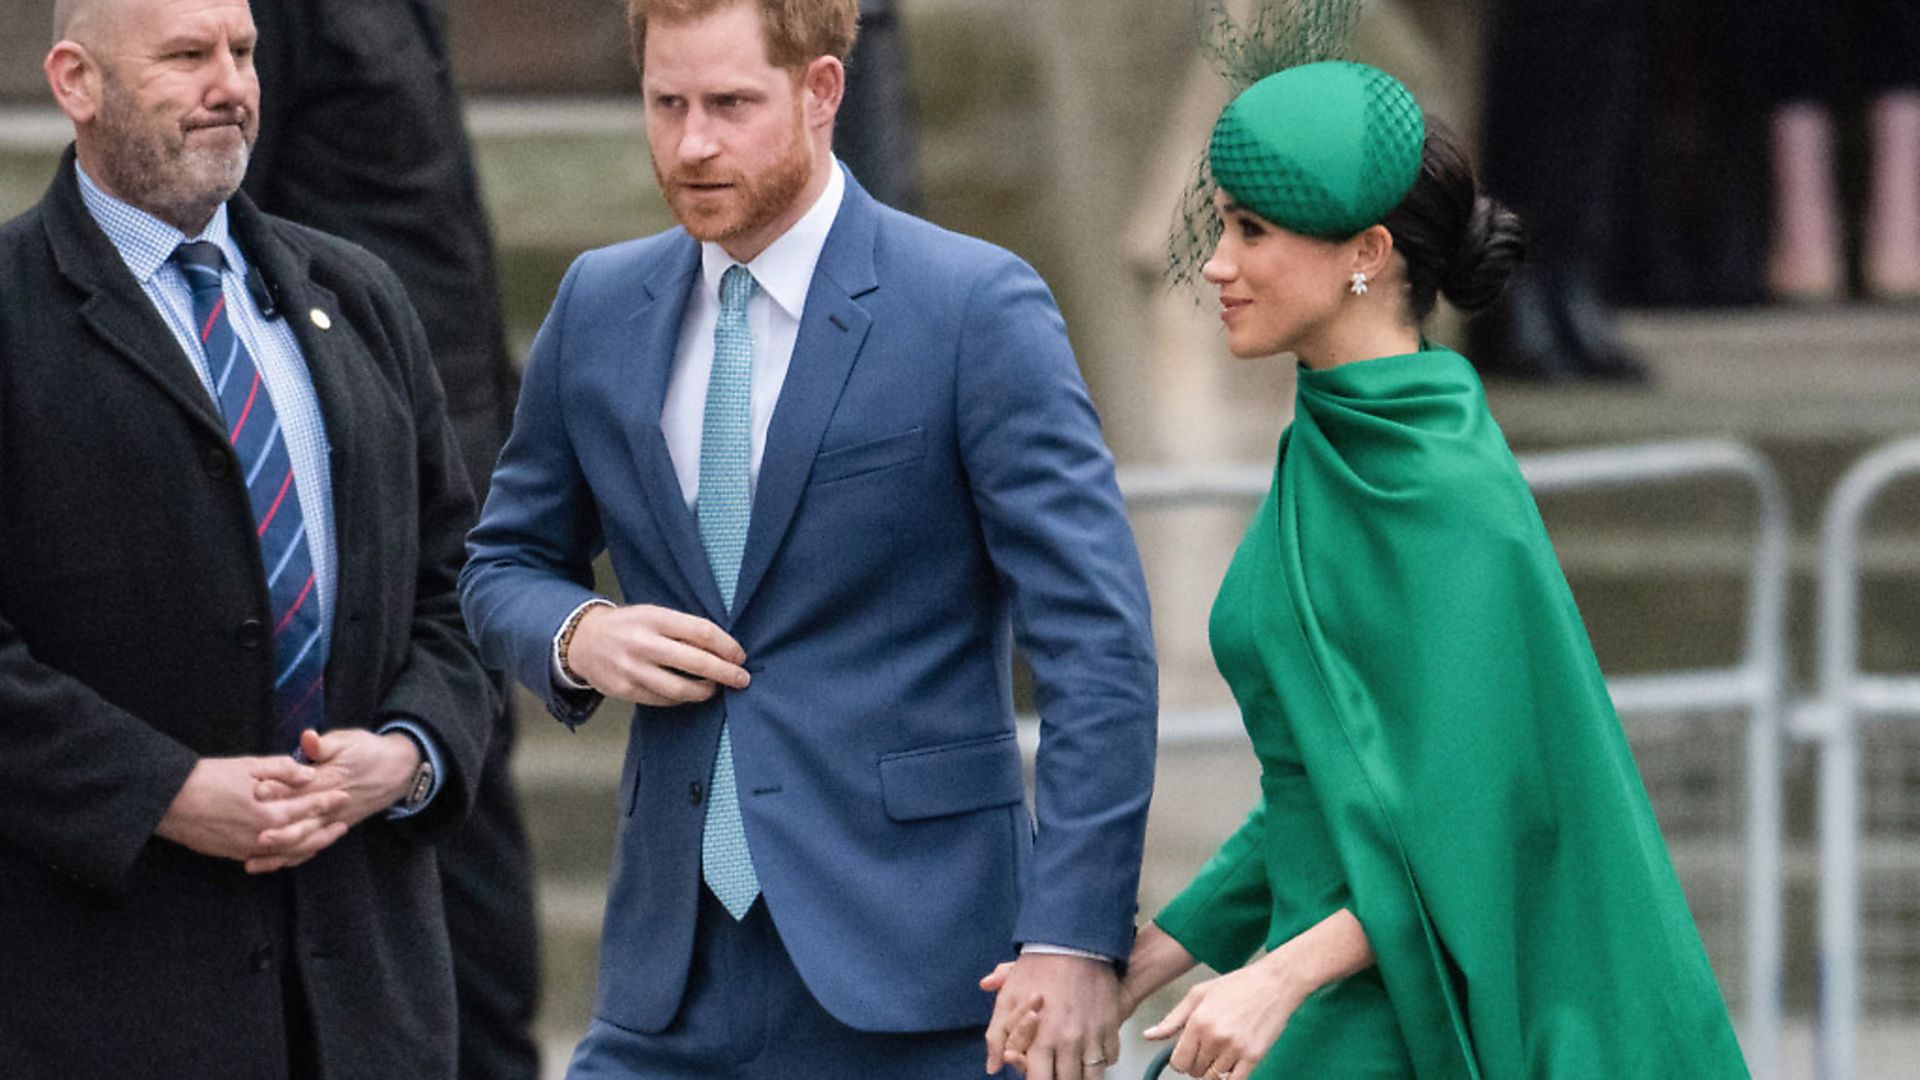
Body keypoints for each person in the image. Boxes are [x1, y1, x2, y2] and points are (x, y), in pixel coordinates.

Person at [989, 61, 1750, 1079]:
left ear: (1367, 254)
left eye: (1252, 231)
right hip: (1331, 1000)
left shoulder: (1441, 485)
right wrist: (1133, 964)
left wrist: (1280, 975)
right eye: (1222, 226)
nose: (1215, 264)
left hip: (1402, 1021)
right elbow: (1325, 792)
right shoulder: (1332, 439)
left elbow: (1481, 818)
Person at [457, 1, 1158, 1077]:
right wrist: (577, 633)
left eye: (731, 105)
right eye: (666, 104)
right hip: (670, 980)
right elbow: (502, 561)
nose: (692, 144)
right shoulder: (598, 304)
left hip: (928, 976)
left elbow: (1097, 645)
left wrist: (1071, 935)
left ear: (823, 91)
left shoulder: (974, 307)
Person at [0, 0, 492, 1077]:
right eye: (187, 57)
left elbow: (455, 590)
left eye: (245, 52)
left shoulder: (358, 296)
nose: (232, 85)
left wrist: (408, 754)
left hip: (366, 998)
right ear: (76, 82)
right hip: (104, 997)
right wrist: (160, 791)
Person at [242, 4, 540, 1076]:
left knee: (470, 808)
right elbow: (224, 227)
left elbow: (440, 228)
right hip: (355, 480)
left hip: (461, 460)